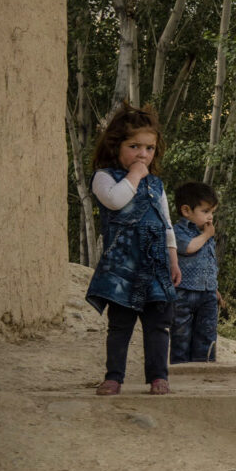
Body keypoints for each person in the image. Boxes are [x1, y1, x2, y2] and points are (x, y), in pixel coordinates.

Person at [86, 103, 181, 396]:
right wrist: (135, 175)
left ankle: (157, 377)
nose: (143, 154)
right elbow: (116, 201)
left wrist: (173, 260)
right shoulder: (104, 178)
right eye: (134, 146)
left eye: (149, 149)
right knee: (121, 325)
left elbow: (166, 223)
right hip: (122, 269)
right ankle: (114, 376)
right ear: (116, 147)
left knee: (158, 325)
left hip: (155, 267)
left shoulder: (157, 184)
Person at [170, 181, 222, 363]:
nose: (210, 217)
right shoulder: (177, 231)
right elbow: (188, 248)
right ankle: (181, 373)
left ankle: (204, 371)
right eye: (205, 211)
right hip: (183, 293)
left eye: (212, 212)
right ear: (186, 211)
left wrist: (214, 288)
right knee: (181, 336)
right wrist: (207, 235)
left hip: (207, 294)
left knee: (207, 336)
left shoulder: (205, 233)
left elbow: (209, 262)